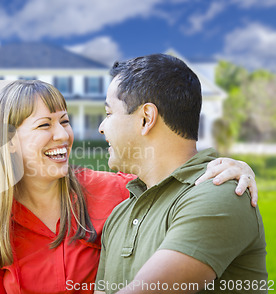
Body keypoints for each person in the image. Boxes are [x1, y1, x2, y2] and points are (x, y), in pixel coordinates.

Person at [0, 80, 258, 294]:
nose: (62, 135)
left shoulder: (112, 190)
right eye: (44, 125)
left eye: (64, 121)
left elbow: (171, 178)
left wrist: (228, 166)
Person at [95, 54, 267, 294]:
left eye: (109, 113)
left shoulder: (221, 193)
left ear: (146, 118)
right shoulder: (120, 215)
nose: (102, 127)